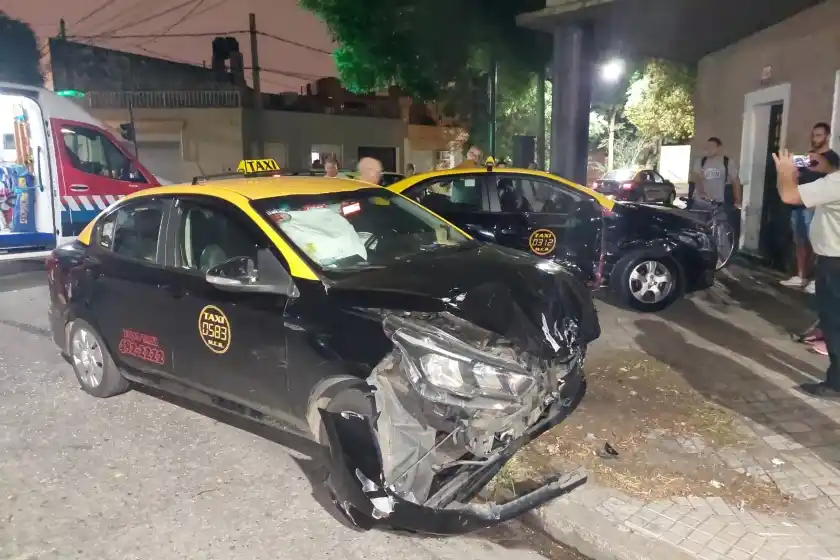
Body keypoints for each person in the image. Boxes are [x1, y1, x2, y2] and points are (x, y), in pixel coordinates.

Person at [773, 149, 840, 398]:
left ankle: (836, 384)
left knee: (834, 324)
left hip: (835, 264)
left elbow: (789, 195)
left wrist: (785, 172)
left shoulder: (835, 182)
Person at [780, 123, 839, 293]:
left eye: (819, 135)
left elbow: (832, 181)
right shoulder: (808, 156)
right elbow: (797, 176)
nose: (815, 138)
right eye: (813, 135)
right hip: (800, 202)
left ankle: (815, 279)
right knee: (800, 240)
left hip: (814, 205)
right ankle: (801, 276)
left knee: (816, 241)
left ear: (827, 136)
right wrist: (794, 174)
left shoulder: (832, 157)